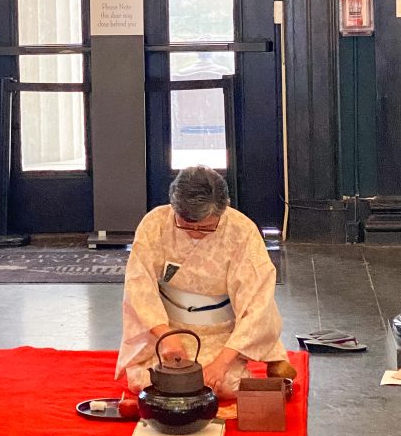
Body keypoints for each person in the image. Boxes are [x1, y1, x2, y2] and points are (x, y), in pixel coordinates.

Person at [116, 165, 295, 398]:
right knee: (146, 381)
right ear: (173, 207)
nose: (196, 233)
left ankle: (269, 358)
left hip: (223, 331)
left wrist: (222, 361)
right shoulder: (155, 224)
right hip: (168, 327)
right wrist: (165, 336)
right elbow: (139, 287)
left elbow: (257, 302)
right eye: (188, 226)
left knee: (226, 385)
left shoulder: (242, 231)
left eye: (207, 228)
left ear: (224, 209)